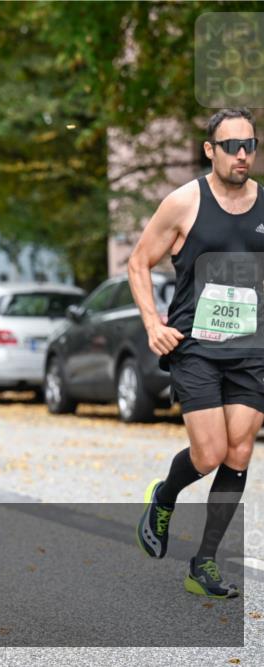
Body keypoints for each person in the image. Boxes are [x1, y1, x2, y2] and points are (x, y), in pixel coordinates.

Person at [130, 107, 264, 599]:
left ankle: (203, 563)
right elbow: (138, 262)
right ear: (210, 151)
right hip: (197, 349)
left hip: (251, 349)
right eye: (231, 146)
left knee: (241, 450)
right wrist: (151, 323)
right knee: (209, 454)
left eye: (249, 144)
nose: (243, 154)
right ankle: (164, 497)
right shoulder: (184, 202)